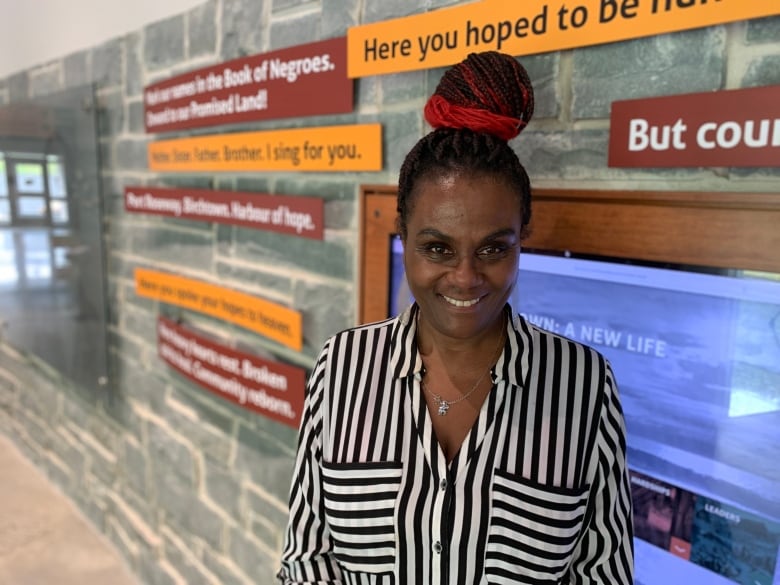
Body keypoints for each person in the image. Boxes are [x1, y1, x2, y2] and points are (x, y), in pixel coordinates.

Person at [278, 51, 634, 584]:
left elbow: (603, 575)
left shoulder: (583, 386)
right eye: (438, 249)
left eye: (493, 249)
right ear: (403, 236)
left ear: (522, 239)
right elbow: (307, 561)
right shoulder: (342, 368)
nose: (466, 278)